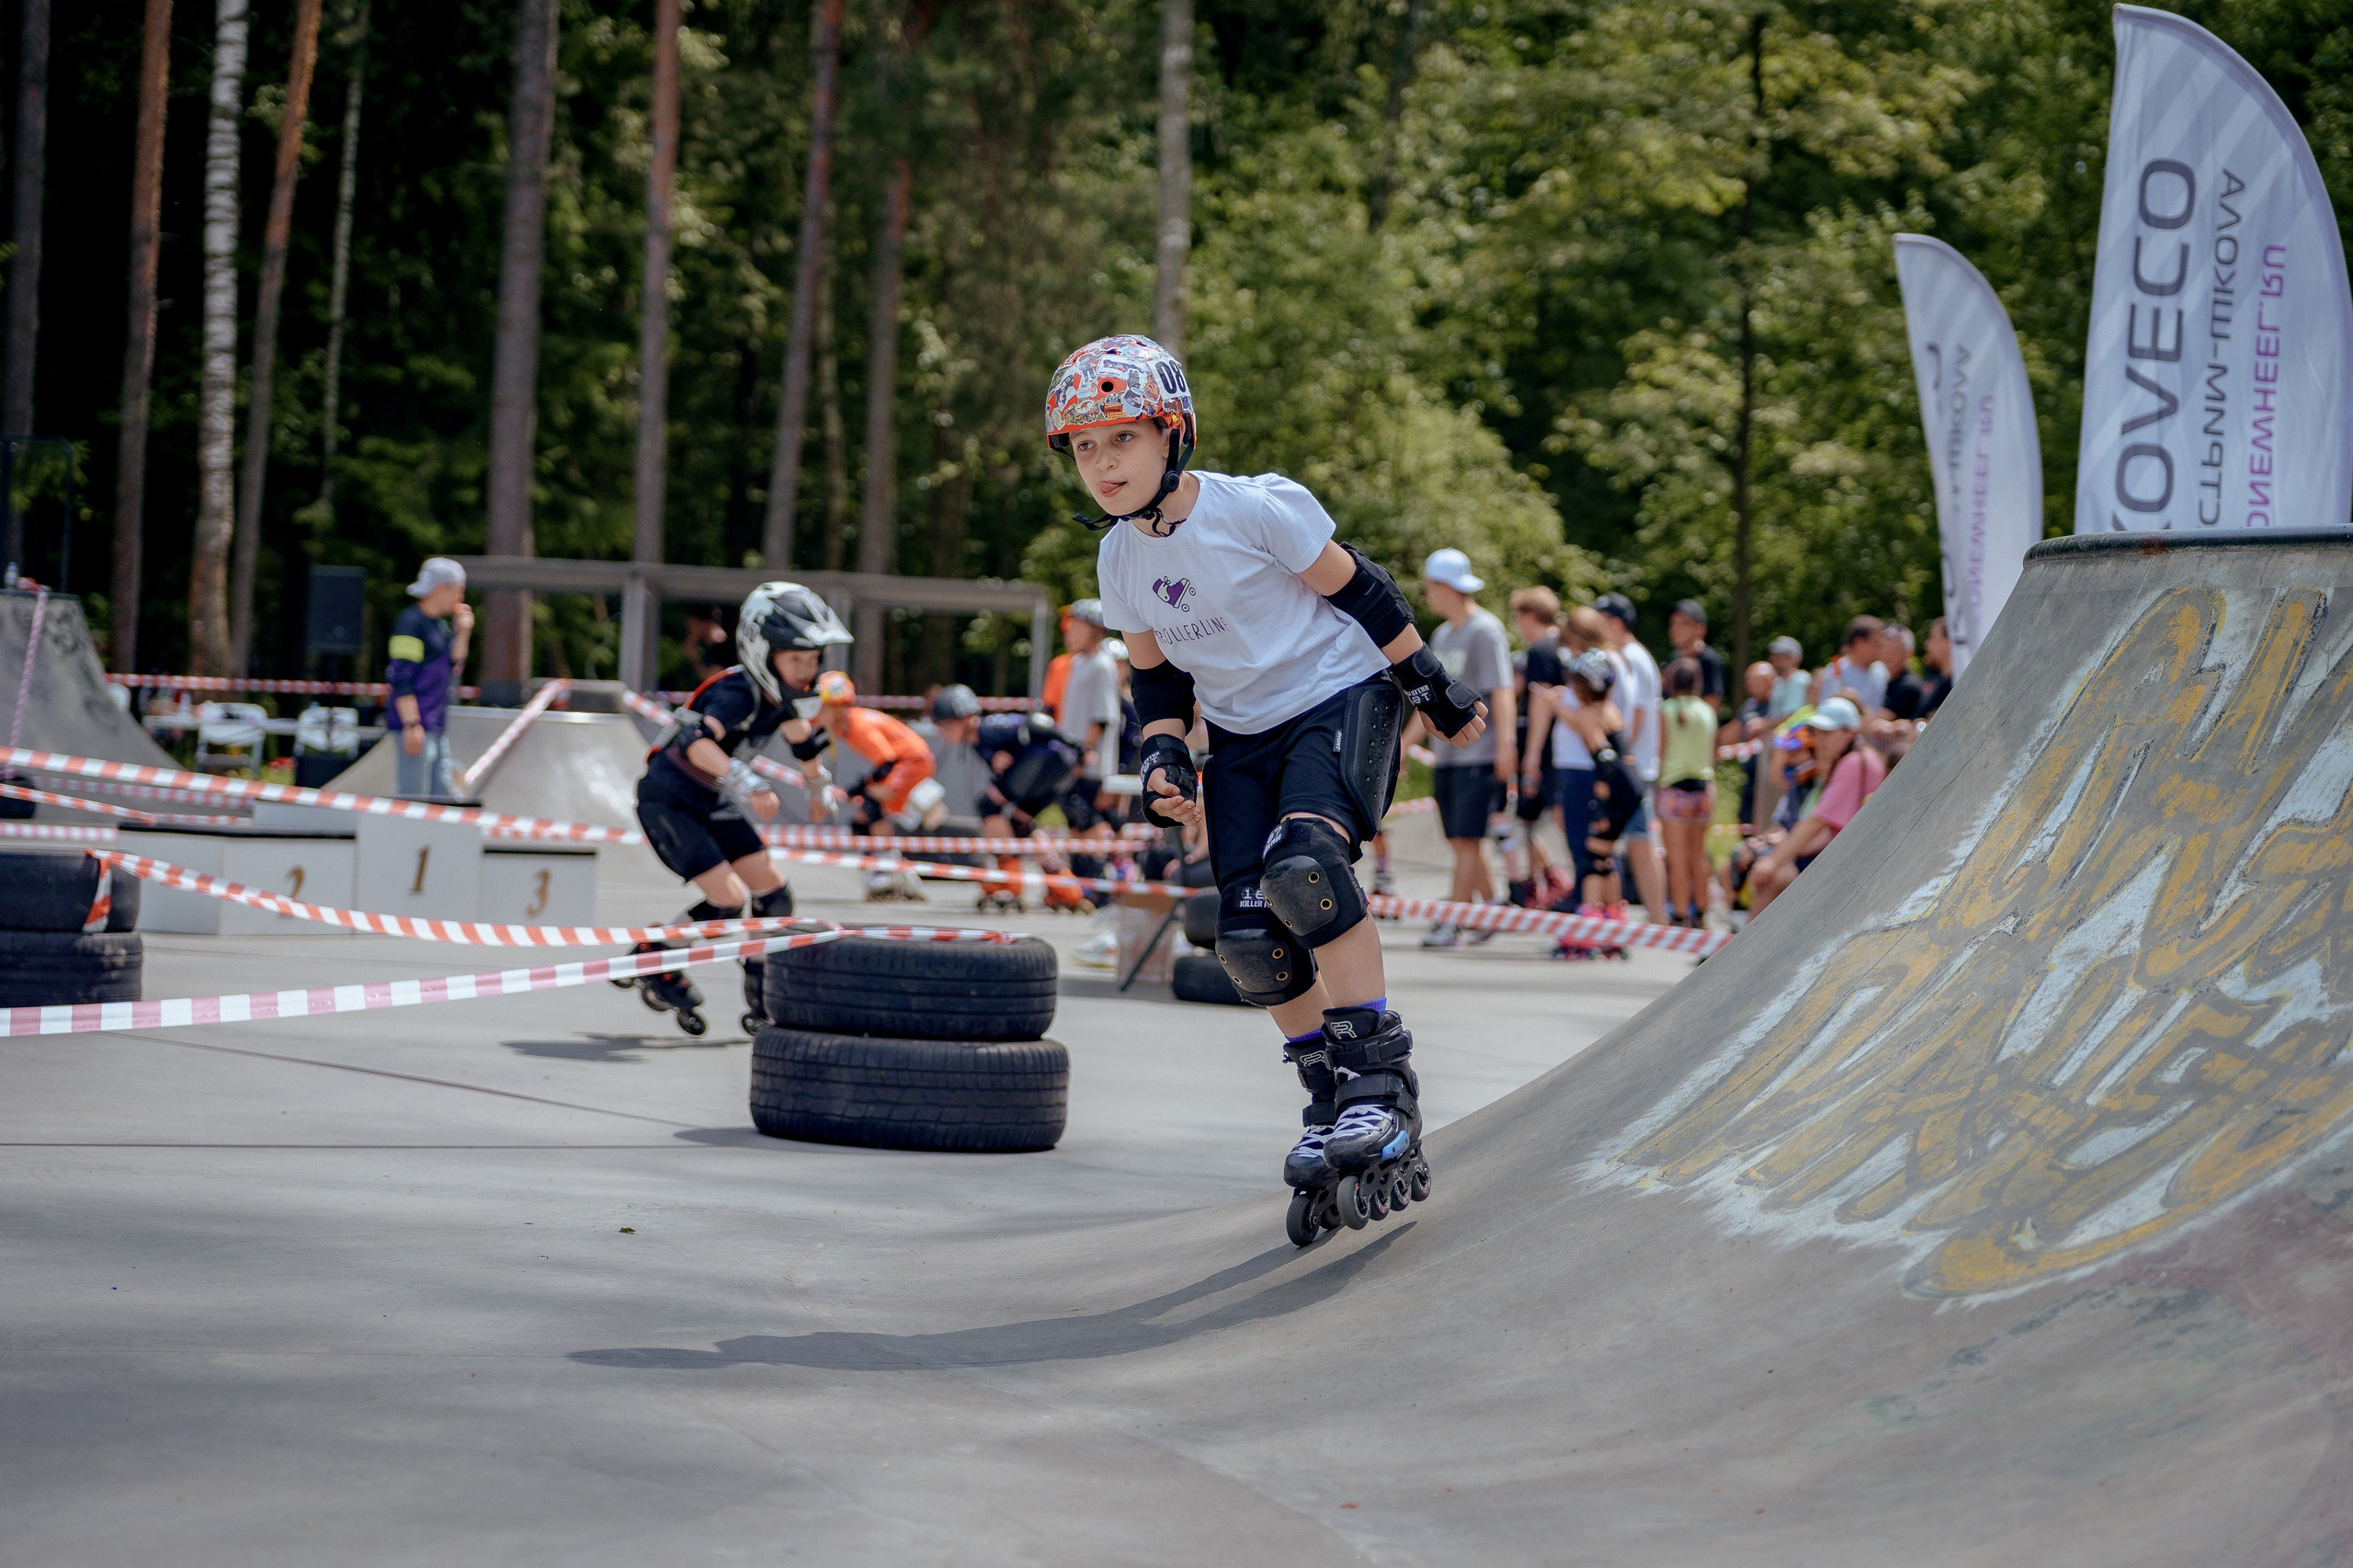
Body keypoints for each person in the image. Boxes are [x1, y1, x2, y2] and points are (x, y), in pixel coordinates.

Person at [1057, 333, 1487, 1244]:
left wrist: (1429, 684)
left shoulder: (1255, 508)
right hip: (1245, 732)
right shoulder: (1118, 561)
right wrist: (1164, 755)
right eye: (1085, 447)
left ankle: (1379, 1077)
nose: (1102, 463)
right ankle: (1328, 1095)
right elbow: (1158, 682)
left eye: (1120, 438)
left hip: (1339, 694)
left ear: (1173, 433)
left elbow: (1362, 590)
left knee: (1305, 868)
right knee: (1246, 933)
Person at [631, 581, 852, 1033]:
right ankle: (655, 958)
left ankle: (763, 982)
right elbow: (697, 743)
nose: (805, 672)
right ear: (760, 650)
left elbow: (803, 742)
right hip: (670, 801)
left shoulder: (781, 695)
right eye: (795, 659)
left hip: (710, 800)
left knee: (773, 891)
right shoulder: (739, 692)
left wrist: (817, 791)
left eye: (812, 660)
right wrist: (746, 780)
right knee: (728, 899)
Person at [1416, 548, 1515, 948]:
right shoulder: (1442, 635)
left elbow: (1502, 690)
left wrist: (1506, 746)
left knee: (1468, 839)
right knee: (1460, 839)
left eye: (1429, 588)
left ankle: (1453, 920)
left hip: (1480, 751)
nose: (1427, 597)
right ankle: (1489, 906)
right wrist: (1406, 745)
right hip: (1448, 755)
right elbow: (1428, 700)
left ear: (1445, 587)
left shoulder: (1485, 630)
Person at [806, 671, 940, 900]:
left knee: (871, 810)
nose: (817, 714)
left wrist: (858, 789)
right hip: (905, 761)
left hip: (911, 761)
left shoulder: (859, 725)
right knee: (866, 816)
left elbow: (887, 762)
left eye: (822, 707)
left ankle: (885, 872)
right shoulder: (844, 725)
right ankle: (898, 873)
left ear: (838, 707)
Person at [1745, 696, 1883, 915]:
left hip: (1854, 866)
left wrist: (1773, 861)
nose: (1820, 740)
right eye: (1817, 732)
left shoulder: (1854, 763)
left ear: (1849, 732)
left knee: (1773, 877)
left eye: (1828, 732)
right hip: (1846, 858)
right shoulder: (1855, 759)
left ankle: (1749, 948)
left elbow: (1818, 821)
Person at [1551, 650, 1641, 955]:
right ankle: (1614, 926)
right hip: (1632, 785)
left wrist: (1601, 804)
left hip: (1616, 787)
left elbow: (1604, 761)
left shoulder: (1591, 715)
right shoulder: (1609, 709)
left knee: (1591, 856)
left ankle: (1586, 928)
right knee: (1604, 855)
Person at [1593, 592, 1668, 924]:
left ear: (1616, 622)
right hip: (1640, 764)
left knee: (1640, 842)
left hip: (1633, 765)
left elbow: (1635, 713)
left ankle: (1657, 917)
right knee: (1638, 841)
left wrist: (1623, 757)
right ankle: (1655, 914)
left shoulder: (1632, 657)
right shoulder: (1639, 656)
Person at [385, 557, 472, 801]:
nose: (461, 597)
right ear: (440, 588)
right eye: (459, 590)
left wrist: (463, 632)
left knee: (442, 796)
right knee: (414, 797)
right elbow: (400, 677)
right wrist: (411, 724)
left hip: (434, 724)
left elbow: (455, 661)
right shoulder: (409, 624)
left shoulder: (440, 625)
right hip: (416, 723)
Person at [1507, 586, 1565, 908]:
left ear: (1529, 616)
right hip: (1560, 750)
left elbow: (1541, 707)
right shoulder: (1564, 644)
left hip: (1545, 752)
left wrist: (1530, 756)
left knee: (1528, 821)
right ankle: (1544, 877)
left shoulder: (1542, 649)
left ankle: (1545, 880)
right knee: (1529, 822)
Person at [1656, 657, 1717, 927]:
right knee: (1698, 856)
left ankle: (1679, 913)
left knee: (1677, 860)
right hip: (1703, 789)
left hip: (1675, 789)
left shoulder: (1665, 710)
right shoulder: (1707, 711)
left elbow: (1661, 750)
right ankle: (1701, 911)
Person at [1817, 617, 1888, 716]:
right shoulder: (1836, 669)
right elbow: (1826, 711)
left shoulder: (1882, 670)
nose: (1881, 648)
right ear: (1859, 643)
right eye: (1876, 643)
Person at [1665, 598, 1725, 713]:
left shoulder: (1708, 659)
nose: (1676, 629)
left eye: (1684, 624)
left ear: (1701, 629)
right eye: (1673, 623)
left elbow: (1712, 706)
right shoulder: (1673, 659)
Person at [1881, 623, 1927, 720]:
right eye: (1883, 647)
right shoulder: (1883, 681)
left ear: (1908, 653)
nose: (1887, 654)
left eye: (1894, 649)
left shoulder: (1908, 686)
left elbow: (1881, 719)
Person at [680, 605, 732, 686]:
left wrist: (694, 659)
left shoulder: (722, 647)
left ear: (703, 623)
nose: (690, 630)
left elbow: (713, 680)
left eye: (692, 625)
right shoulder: (708, 646)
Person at [1766, 635, 1811, 720]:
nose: (1775, 659)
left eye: (1783, 656)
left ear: (1796, 659)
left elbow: (1791, 716)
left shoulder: (1799, 680)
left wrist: (1763, 725)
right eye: (1774, 655)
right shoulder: (1778, 682)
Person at [1917, 618, 1955, 718]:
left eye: (1932, 637)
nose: (1927, 644)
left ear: (1949, 642)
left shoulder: (1955, 684)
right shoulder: (1937, 681)